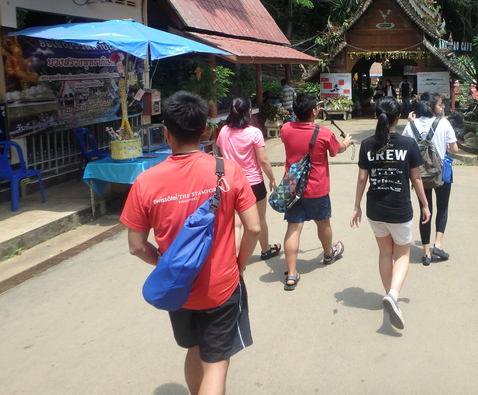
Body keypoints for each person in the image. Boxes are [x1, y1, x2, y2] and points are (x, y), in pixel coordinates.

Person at [121, 91, 261, 395]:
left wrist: (166, 263)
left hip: (178, 289)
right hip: (221, 287)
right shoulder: (227, 171)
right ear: (205, 131)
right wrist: (238, 265)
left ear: (167, 133)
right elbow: (254, 228)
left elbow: (135, 246)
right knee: (216, 363)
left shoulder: (146, 181)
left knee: (195, 349)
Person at [350, 97, 430, 330]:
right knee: (402, 255)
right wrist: (425, 204)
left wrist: (356, 206)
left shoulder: (367, 144)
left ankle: (390, 296)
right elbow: (416, 178)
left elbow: (362, 178)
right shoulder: (408, 144)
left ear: (376, 116)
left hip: (375, 209)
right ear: (399, 117)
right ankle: (393, 296)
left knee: (385, 254)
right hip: (400, 209)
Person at [279, 92, 353, 290]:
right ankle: (328, 254)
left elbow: (291, 138)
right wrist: (345, 143)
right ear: (314, 111)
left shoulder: (285, 129)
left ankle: (292, 275)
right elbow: (336, 151)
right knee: (323, 223)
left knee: (293, 227)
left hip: (293, 189)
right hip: (317, 188)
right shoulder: (324, 133)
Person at [217, 96, 281, 260]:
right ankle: (265, 250)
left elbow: (220, 155)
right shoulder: (254, 133)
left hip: (230, 182)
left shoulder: (223, 131)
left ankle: (234, 257)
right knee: (260, 219)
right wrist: (272, 179)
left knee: (236, 222)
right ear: (249, 112)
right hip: (253, 183)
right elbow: (263, 161)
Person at [402, 91, 459, 266]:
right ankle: (438, 244)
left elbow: (405, 147)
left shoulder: (411, 126)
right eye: (440, 105)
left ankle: (426, 252)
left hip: (419, 175)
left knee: (425, 211)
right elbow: (454, 149)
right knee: (443, 208)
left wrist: (412, 125)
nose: (442, 108)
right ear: (430, 107)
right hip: (442, 173)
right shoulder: (443, 123)